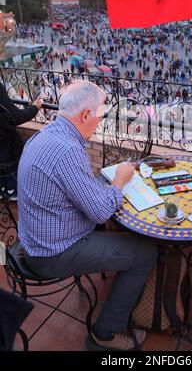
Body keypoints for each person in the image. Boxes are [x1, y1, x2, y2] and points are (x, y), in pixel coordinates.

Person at [18, 80, 157, 351]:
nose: (100, 122)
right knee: (146, 253)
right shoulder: (68, 150)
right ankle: (105, 334)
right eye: (100, 115)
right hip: (51, 253)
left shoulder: (46, 135)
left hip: (35, 239)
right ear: (84, 115)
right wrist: (119, 180)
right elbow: (101, 211)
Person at [0, 83, 43, 200]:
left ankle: (4, 190)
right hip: (5, 146)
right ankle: (12, 192)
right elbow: (16, 117)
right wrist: (34, 108)